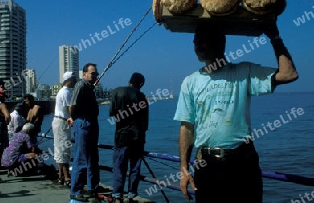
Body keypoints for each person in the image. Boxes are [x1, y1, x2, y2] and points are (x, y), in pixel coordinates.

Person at [174, 23, 298, 203]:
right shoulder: (190, 82)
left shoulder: (243, 72)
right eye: (195, 41)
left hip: (242, 162)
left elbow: (289, 74)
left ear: (220, 43)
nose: (198, 46)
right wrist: (184, 170)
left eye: (204, 41)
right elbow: (187, 127)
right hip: (206, 164)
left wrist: (275, 39)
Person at [109, 72, 149, 203]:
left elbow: (112, 113)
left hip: (121, 137)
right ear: (141, 84)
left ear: (129, 81)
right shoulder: (142, 97)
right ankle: (132, 195)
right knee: (135, 167)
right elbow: (145, 123)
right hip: (137, 137)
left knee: (119, 167)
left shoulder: (116, 92)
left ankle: (117, 196)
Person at [69, 63, 100, 202]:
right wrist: (75, 118)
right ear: (84, 74)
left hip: (92, 122)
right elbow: (72, 105)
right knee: (81, 157)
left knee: (93, 157)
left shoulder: (89, 87)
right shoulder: (80, 85)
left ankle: (93, 188)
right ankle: (76, 190)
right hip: (83, 123)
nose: (94, 76)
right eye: (92, 74)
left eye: (96, 74)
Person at [52, 71, 76, 187]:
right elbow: (69, 108)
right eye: (73, 79)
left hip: (59, 121)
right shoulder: (66, 92)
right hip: (62, 122)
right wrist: (74, 118)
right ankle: (67, 178)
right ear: (68, 80)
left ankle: (61, 176)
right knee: (64, 149)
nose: (75, 81)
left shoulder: (62, 91)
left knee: (59, 149)